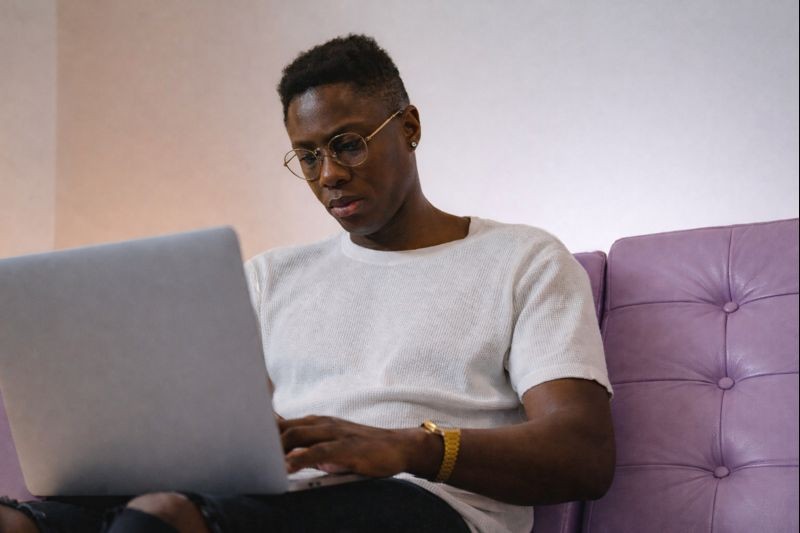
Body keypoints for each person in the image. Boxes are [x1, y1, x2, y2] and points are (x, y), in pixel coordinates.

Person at [0, 34, 614, 533]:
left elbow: (582, 456)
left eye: (348, 144)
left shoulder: (523, 259)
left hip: (428, 507)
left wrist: (406, 448)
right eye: (309, 155)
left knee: (161, 520)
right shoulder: (272, 277)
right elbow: (211, 426)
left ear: (410, 127)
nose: (330, 176)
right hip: (281, 499)